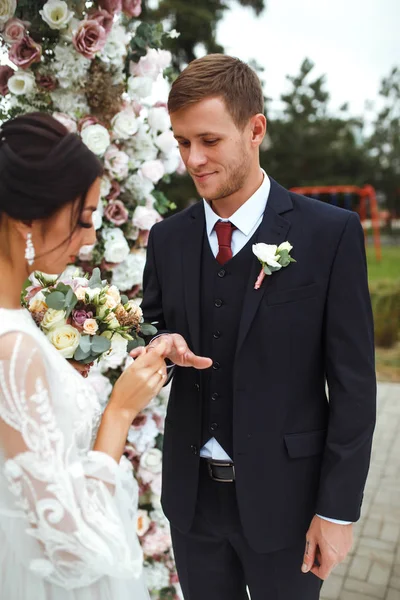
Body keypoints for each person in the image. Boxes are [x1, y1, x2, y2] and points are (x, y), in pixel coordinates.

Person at [141, 54, 377, 600]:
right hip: (192, 506)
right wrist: (155, 342)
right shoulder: (168, 239)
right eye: (181, 143)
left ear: (255, 129)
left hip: (290, 507)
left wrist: (337, 511)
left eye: (208, 140)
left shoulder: (329, 234)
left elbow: (354, 386)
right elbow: (148, 326)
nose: (193, 160)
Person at [0, 112, 169, 600]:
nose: (91, 238)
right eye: (82, 219)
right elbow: (67, 548)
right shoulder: (13, 348)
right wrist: (119, 411)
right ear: (28, 217)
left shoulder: (17, 329)